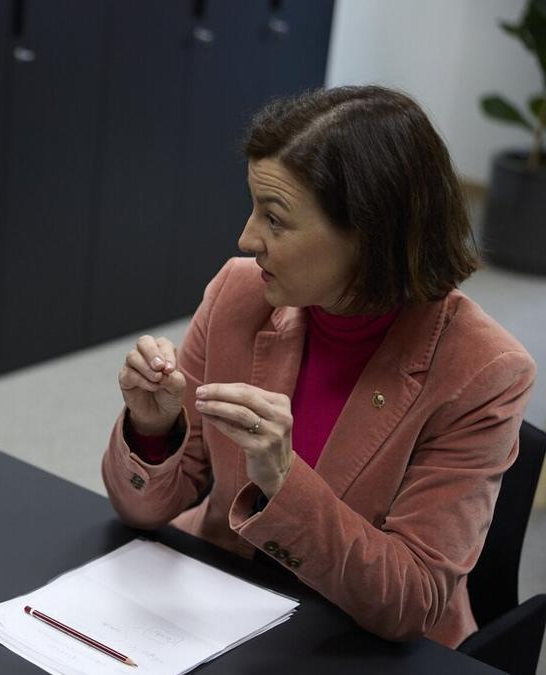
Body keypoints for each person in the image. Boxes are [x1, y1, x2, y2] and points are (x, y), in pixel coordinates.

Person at [103, 86, 535, 647]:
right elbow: (143, 508)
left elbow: (410, 603)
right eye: (254, 206)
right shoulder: (240, 293)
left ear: (369, 235)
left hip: (355, 640)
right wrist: (154, 430)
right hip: (215, 601)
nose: (246, 238)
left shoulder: (483, 369)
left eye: (275, 219)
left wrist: (284, 484)